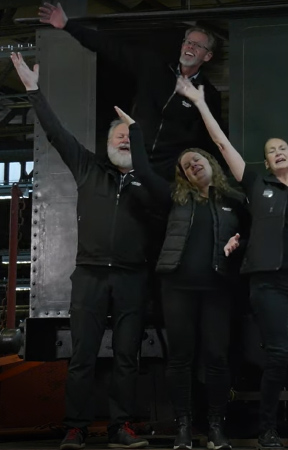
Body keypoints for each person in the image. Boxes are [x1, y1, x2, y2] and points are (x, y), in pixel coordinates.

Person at [174, 76, 288, 449]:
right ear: (267, 162)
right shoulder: (258, 186)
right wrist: (200, 102)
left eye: (282, 148)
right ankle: (267, 430)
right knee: (279, 354)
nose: (277, 152)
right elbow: (221, 144)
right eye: (271, 150)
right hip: (268, 284)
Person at [11, 53, 151, 450]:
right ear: (106, 144)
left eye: (129, 135)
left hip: (132, 278)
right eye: (117, 135)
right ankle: (75, 428)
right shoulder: (89, 169)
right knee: (83, 356)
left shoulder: (150, 182)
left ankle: (121, 428)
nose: (124, 139)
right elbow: (57, 133)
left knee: (126, 357)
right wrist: (33, 91)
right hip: (89, 275)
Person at [113, 104, 248, 450]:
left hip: (217, 289)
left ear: (211, 163)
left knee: (217, 357)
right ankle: (184, 427)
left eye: (196, 159)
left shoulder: (233, 199)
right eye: (186, 165)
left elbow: (252, 234)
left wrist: (240, 242)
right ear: (184, 175)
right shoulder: (175, 198)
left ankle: (216, 427)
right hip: (177, 288)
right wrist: (135, 130)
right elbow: (143, 169)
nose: (192, 165)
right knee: (180, 358)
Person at [38, 1, 222, 182]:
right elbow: (110, 48)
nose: (190, 47)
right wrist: (67, 25)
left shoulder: (207, 95)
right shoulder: (154, 68)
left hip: (170, 175)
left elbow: (212, 142)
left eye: (198, 45)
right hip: (133, 162)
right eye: (188, 42)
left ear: (207, 56)